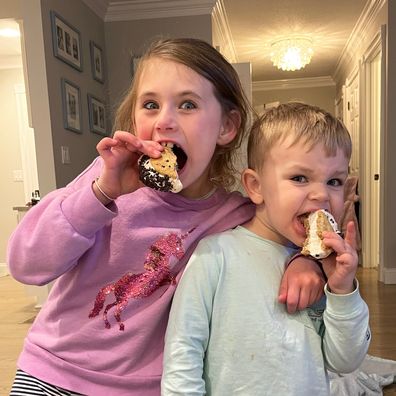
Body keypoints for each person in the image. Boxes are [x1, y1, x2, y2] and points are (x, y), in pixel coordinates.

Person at [8, 40, 324, 396]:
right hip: (53, 371)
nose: (164, 121)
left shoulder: (233, 214)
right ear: (134, 120)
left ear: (226, 126)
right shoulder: (104, 181)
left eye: (187, 104)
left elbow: (294, 233)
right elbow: (26, 266)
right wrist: (100, 193)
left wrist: (306, 261)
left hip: (152, 386)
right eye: (151, 105)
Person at [162, 102, 371, 396]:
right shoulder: (214, 256)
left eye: (334, 181)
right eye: (300, 177)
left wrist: (343, 292)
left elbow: (346, 361)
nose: (322, 194)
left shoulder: (324, 268)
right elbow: (182, 353)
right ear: (255, 186)